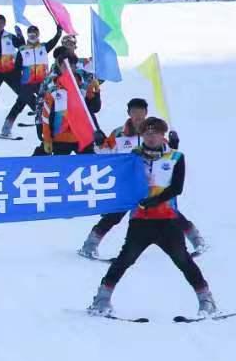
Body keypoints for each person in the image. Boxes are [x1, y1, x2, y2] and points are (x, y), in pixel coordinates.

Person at [87, 117, 219, 318]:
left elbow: (177, 188)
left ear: (162, 135)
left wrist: (155, 201)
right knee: (124, 260)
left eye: (155, 133)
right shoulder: (132, 157)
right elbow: (115, 173)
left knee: (183, 260)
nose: (150, 137)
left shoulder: (175, 157)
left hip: (167, 220)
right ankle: (101, 300)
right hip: (140, 219)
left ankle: (206, 301)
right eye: (146, 133)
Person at [80, 98, 206, 258]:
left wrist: (174, 144)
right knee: (115, 214)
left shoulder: (155, 131)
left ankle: (197, 240)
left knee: (171, 212)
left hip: (153, 183)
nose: (138, 116)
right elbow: (105, 155)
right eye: (134, 112)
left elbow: (168, 155)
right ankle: (90, 245)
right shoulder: (119, 134)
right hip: (128, 183)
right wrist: (98, 143)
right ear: (129, 114)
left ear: (146, 113)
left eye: (141, 112)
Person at [0, 23, 61, 137]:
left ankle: (52, 126)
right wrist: (18, 82)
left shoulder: (43, 47)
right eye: (30, 35)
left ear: (38, 35)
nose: (32, 36)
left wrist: (58, 33)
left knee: (48, 103)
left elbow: (53, 42)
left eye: (35, 34)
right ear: (28, 36)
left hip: (42, 83)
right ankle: (7, 126)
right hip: (27, 83)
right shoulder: (22, 49)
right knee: (20, 103)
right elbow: (17, 68)